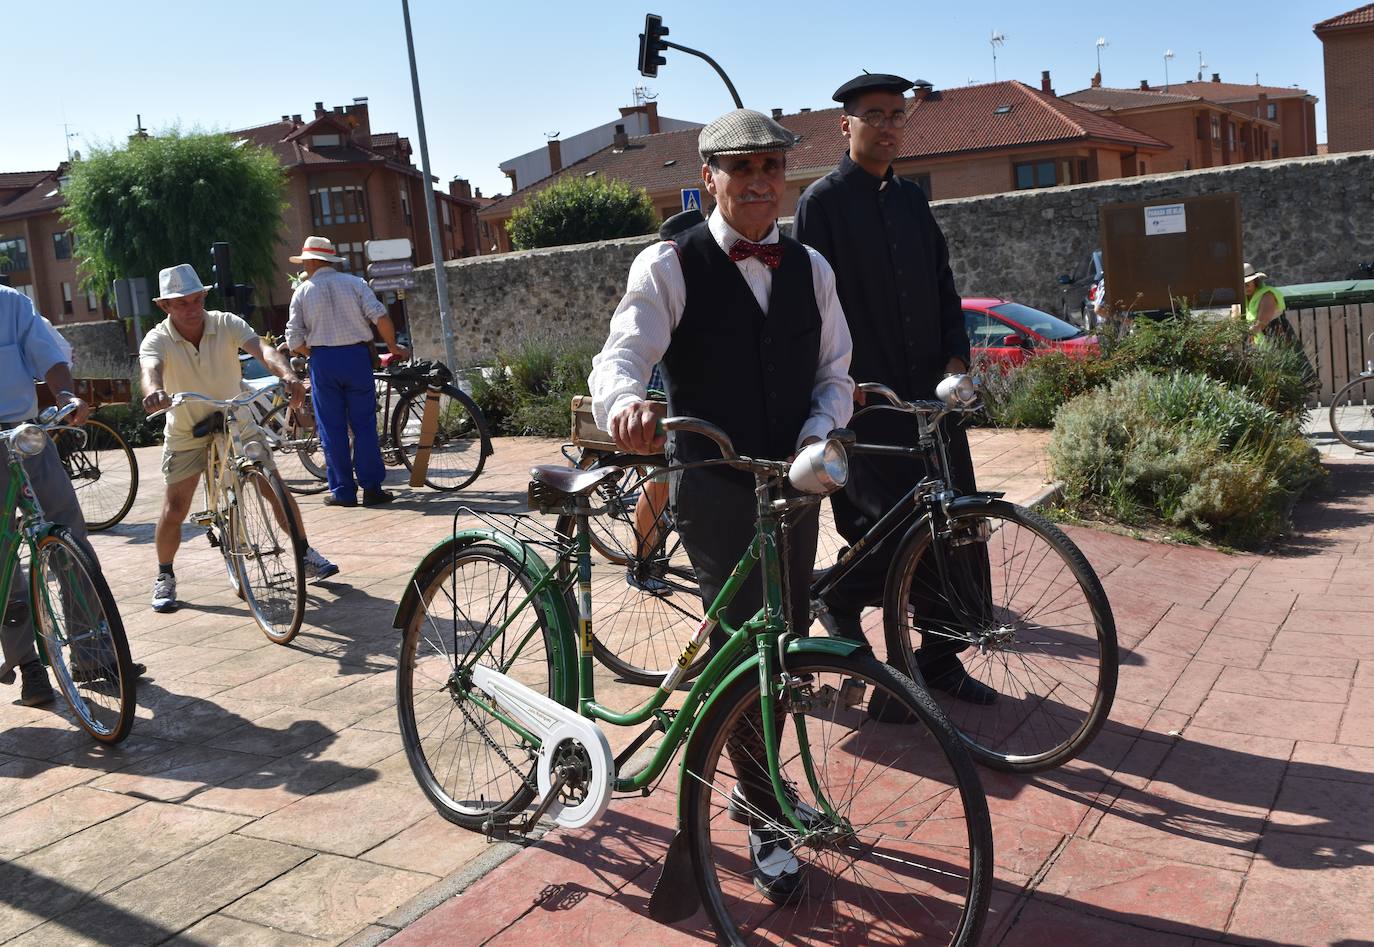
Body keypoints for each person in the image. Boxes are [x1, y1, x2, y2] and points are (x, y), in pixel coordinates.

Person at [590, 108, 854, 901]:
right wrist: (625, 405)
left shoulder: (811, 266)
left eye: (771, 168)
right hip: (712, 483)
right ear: (709, 177)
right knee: (746, 650)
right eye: (741, 169)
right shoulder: (669, 264)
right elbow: (622, 352)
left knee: (788, 645)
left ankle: (755, 779)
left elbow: (836, 372)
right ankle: (763, 811)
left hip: (791, 487)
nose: (759, 183)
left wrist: (816, 437)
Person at [794, 71, 996, 706]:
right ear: (844, 125)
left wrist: (958, 360)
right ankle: (856, 626)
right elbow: (811, 306)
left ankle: (939, 661)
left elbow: (943, 288)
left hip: (931, 405)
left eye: (896, 116)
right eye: (874, 115)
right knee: (885, 535)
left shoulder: (913, 202)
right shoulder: (821, 204)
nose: (887, 126)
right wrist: (837, 381)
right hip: (867, 408)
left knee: (955, 528)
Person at [140, 264, 338, 613]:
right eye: (181, 302)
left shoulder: (226, 322)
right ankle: (165, 575)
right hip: (187, 426)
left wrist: (288, 375)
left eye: (196, 299)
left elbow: (264, 350)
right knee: (175, 507)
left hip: (236, 417)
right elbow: (150, 370)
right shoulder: (157, 338)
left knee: (271, 483)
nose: (191, 307)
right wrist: (155, 392)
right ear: (165, 306)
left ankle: (304, 551)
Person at [0, 285, 145, 703]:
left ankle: (93, 654)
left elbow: (48, 355)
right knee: (4, 561)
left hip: (23, 433)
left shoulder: (11, 302)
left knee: (69, 538)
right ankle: (28, 665)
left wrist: (65, 393)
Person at [284, 236, 410, 507]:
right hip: (356, 358)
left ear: (312, 261)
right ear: (330, 260)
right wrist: (392, 346)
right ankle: (373, 489)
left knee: (332, 428)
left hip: (324, 361)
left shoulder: (302, 292)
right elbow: (381, 317)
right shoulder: (356, 284)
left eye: (305, 260)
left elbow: (294, 340)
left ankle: (343, 491)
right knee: (364, 424)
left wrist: (314, 354)